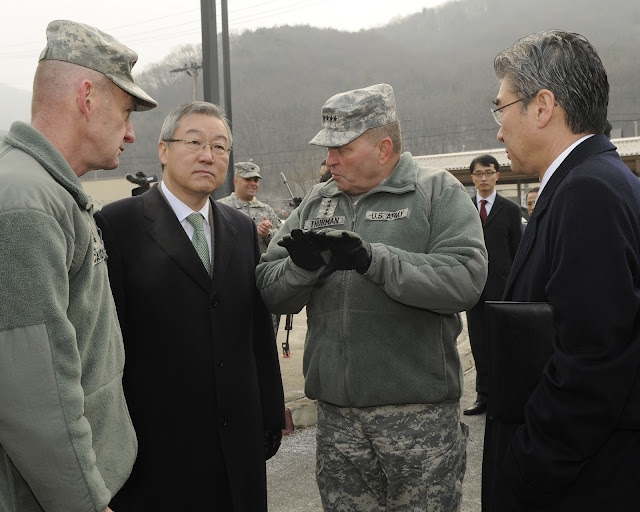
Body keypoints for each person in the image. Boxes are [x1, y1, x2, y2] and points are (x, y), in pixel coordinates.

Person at [256, 83, 488, 511]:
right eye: (328, 150)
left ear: (384, 149)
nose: (330, 160)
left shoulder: (436, 192)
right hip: (337, 422)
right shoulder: (318, 202)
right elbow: (269, 288)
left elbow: (465, 279)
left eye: (341, 149)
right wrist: (301, 269)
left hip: (418, 421)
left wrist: (374, 261)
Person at [94, 101, 285, 511]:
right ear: (164, 150)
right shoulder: (118, 224)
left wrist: (270, 413)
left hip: (238, 444)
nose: (207, 156)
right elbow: (106, 342)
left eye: (219, 146)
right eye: (194, 142)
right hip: (157, 445)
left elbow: (257, 331)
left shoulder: (241, 228)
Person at [0, 20, 157, 512]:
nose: (130, 132)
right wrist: (83, 501)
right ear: (87, 98)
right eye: (126, 111)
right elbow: (33, 392)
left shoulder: (47, 191)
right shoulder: (27, 203)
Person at [483, 30, 640, 511]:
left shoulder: (586, 192)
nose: (498, 131)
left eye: (501, 109)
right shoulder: (599, 180)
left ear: (542, 106)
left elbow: (591, 363)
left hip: (579, 485)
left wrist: (525, 471)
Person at [464, 154, 522, 416]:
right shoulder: (464, 209)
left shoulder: (510, 210)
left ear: (497, 175)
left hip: (503, 288)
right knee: (479, 344)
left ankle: (506, 396)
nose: (484, 178)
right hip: (474, 289)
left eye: (488, 172)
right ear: (472, 178)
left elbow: (517, 251)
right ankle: (483, 396)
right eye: (478, 173)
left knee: (504, 344)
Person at [218, 161, 283, 254]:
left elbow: (282, 239)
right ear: (236, 181)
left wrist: (267, 234)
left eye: (255, 180)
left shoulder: (266, 210)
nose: (253, 184)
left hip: (261, 263)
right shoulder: (221, 207)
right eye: (248, 179)